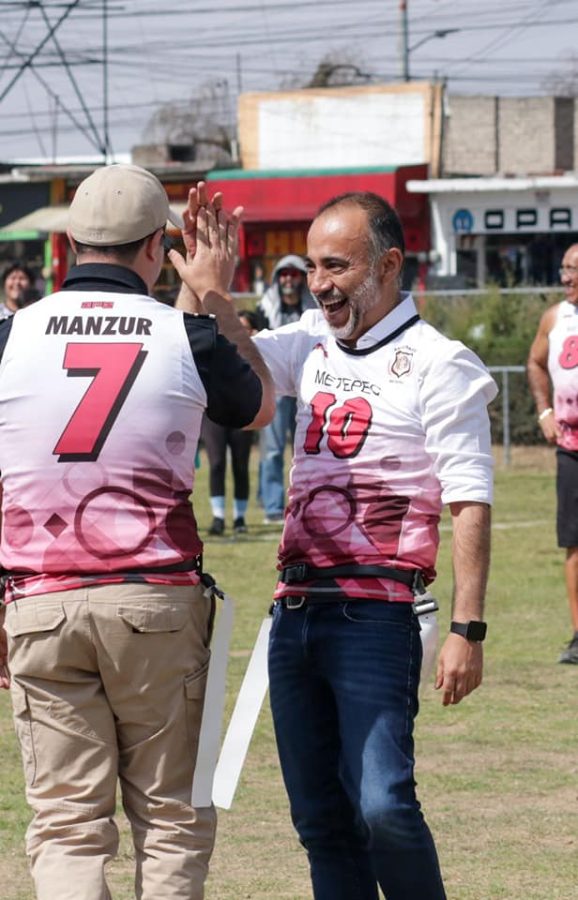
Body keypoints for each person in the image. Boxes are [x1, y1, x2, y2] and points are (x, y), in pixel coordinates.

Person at [175, 190, 497, 899]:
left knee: (383, 805)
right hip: (294, 615)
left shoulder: (441, 363)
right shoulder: (313, 344)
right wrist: (208, 290)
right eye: (314, 266)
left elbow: (471, 501)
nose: (319, 283)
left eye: (337, 266)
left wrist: (467, 629)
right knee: (321, 821)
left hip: (379, 615)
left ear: (387, 264)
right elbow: (240, 365)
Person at [0, 164, 274, 900]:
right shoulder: (186, 334)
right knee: (172, 820)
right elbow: (257, 406)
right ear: (159, 248)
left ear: (71, 248)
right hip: (155, 600)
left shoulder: (8, 336)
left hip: (39, 600)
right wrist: (214, 290)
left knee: (65, 826)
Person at [528, 242, 578, 664]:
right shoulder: (555, 318)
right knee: (574, 542)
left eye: (574, 269)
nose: (567, 276)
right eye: (563, 268)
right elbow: (535, 362)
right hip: (571, 448)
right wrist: (545, 410)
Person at [256, 254, 316, 523]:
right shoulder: (264, 309)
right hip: (276, 385)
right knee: (272, 448)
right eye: (284, 274)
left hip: (307, 384)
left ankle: (304, 503)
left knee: (306, 448)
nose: (288, 279)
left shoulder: (314, 312)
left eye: (294, 274)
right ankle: (271, 506)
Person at [202, 309, 261, 536]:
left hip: (240, 409)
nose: (240, 332)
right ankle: (218, 516)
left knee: (240, 464)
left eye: (245, 328)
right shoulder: (215, 345)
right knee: (216, 463)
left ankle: (239, 517)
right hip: (214, 410)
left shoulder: (255, 352)